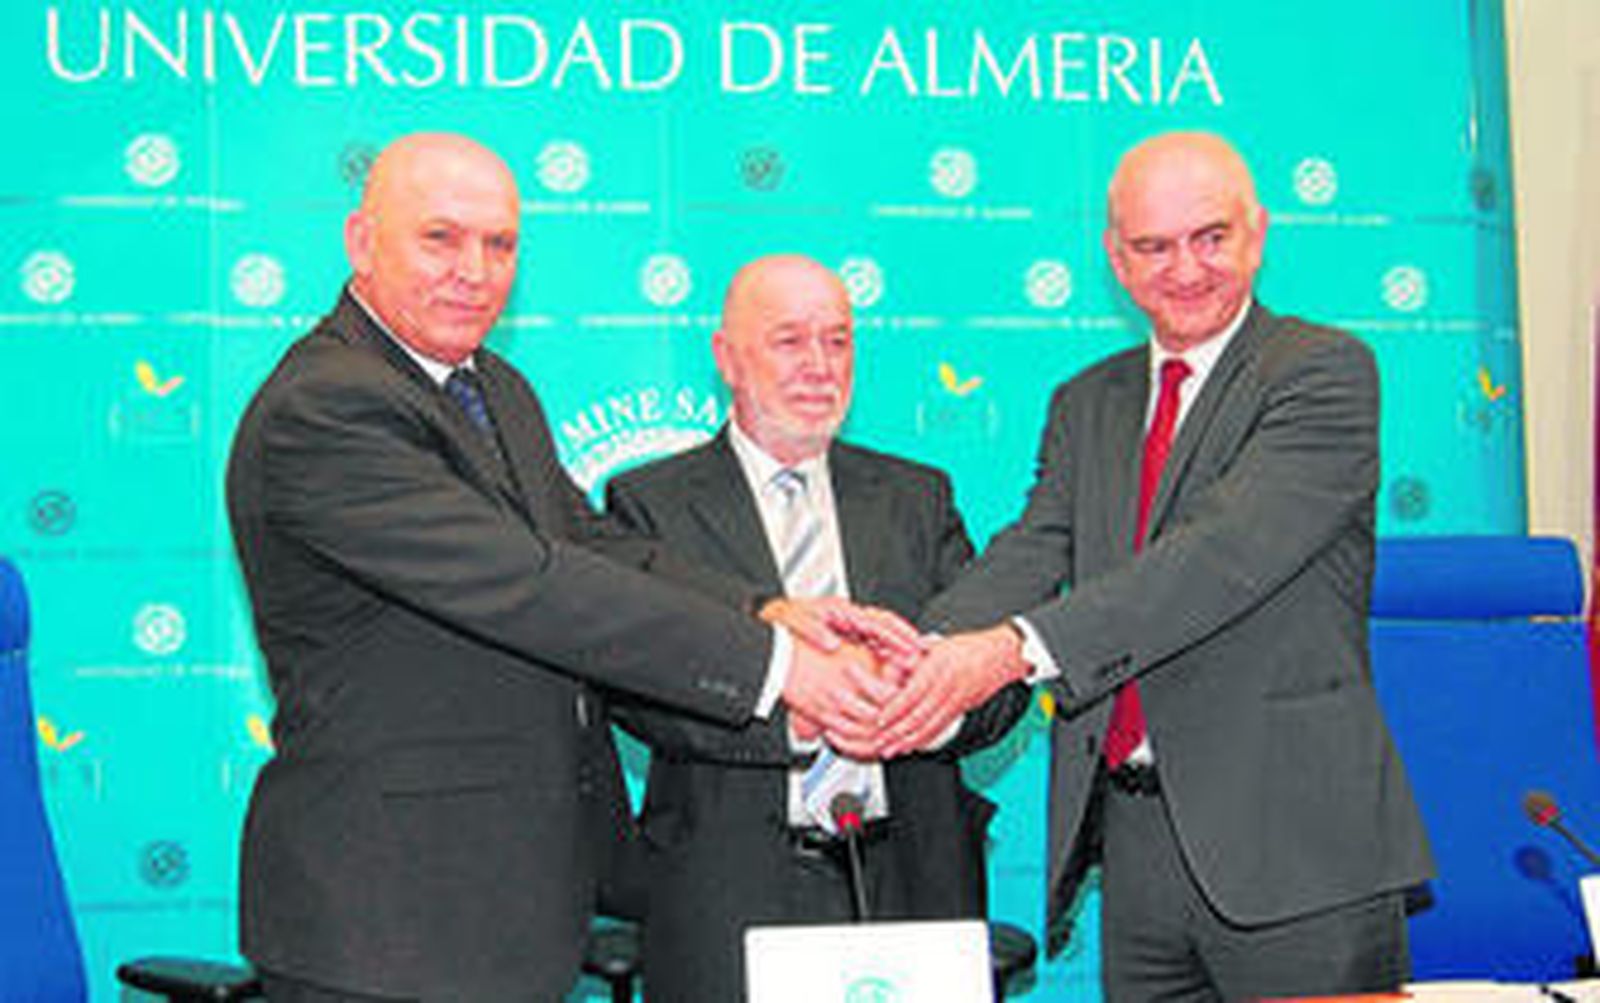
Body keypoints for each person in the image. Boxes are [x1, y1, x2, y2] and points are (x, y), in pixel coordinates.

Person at [225, 134, 905, 1002]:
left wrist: (765, 609)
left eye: (500, 244)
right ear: (361, 241)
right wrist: (781, 671)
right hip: (385, 920)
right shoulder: (325, 407)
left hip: (504, 904)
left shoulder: (494, 387)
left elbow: (589, 542)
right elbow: (531, 582)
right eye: (441, 238)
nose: (474, 268)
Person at [873, 131, 1435, 1000]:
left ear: (1257, 232)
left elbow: (1215, 557)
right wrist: (910, 658)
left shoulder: (1322, 371)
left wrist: (1011, 651)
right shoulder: (1085, 400)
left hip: (1297, 849)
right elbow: (1037, 545)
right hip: (1134, 846)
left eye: (1211, 237)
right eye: (1153, 246)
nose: (1185, 269)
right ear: (1116, 259)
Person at [604, 255, 1029, 1003]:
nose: (819, 366)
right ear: (727, 357)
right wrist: (794, 715)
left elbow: (999, 686)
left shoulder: (917, 497)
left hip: (914, 884)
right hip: (729, 891)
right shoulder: (651, 506)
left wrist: (930, 710)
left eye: (837, 341)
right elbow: (636, 688)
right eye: (790, 341)